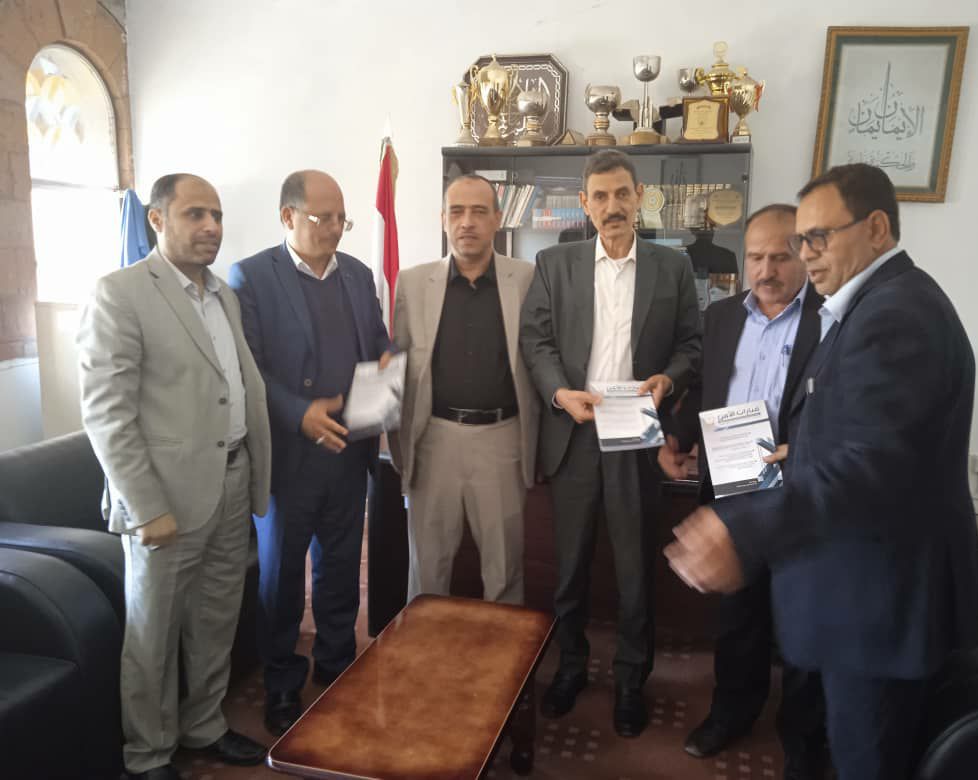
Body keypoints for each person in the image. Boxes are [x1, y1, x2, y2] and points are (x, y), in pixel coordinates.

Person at [665, 164, 978, 780]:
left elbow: (869, 466)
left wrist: (740, 530)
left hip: (881, 608)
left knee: (866, 759)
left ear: (877, 228)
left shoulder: (894, 315)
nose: (805, 254)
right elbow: (853, 434)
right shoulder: (871, 306)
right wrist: (801, 451)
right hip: (864, 593)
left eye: (816, 238)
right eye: (800, 241)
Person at [78, 173, 272, 779]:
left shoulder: (223, 296)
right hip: (164, 498)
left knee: (215, 619)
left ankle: (204, 725)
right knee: (154, 634)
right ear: (157, 219)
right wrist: (144, 505)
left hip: (230, 480)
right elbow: (107, 414)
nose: (211, 226)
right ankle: (148, 753)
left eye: (217, 215)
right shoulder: (120, 293)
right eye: (195, 214)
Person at [520, 149, 702, 738]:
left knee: (634, 570)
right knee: (569, 567)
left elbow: (692, 344)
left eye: (622, 193)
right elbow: (536, 341)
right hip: (575, 431)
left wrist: (669, 378)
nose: (612, 206)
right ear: (584, 204)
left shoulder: (672, 267)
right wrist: (559, 393)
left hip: (637, 434)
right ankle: (570, 667)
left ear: (640, 197)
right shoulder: (555, 263)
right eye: (600, 196)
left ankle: (630, 680)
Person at [660, 204, 828, 779]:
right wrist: (679, 437)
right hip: (734, 485)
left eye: (779, 256)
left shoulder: (831, 319)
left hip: (799, 489)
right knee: (739, 615)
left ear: (804, 253)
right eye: (755, 257)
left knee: (803, 617)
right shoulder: (724, 315)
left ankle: (803, 739)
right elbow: (710, 386)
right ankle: (731, 712)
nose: (765, 270)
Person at [228, 170, 391, 736]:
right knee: (280, 579)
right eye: (323, 218)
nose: (335, 229)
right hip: (287, 459)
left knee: (341, 568)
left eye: (342, 218)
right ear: (288, 216)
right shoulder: (251, 277)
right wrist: (299, 413)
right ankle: (280, 682)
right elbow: (248, 368)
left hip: (348, 451)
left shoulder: (358, 274)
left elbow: (377, 343)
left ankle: (336, 662)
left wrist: (389, 362)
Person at [388, 174, 538, 604]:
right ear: (443, 219)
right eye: (456, 212)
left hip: (502, 440)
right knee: (427, 569)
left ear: (497, 219)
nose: (466, 222)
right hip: (434, 440)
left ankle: (504, 650)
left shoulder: (527, 278)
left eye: (478, 211)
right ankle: (423, 647)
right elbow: (397, 366)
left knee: (504, 570)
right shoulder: (412, 283)